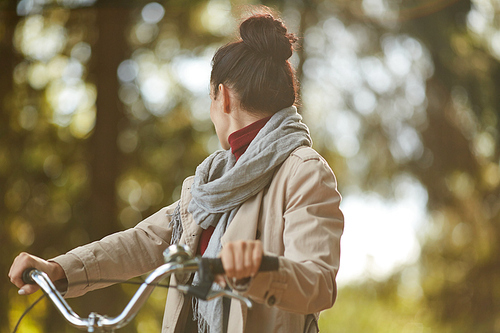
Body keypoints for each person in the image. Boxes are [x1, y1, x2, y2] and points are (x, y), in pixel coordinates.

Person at [9, 9, 344, 333]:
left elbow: (318, 283)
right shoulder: (211, 182)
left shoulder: (303, 171)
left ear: (222, 98)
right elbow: (144, 241)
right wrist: (58, 269)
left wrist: (258, 270)